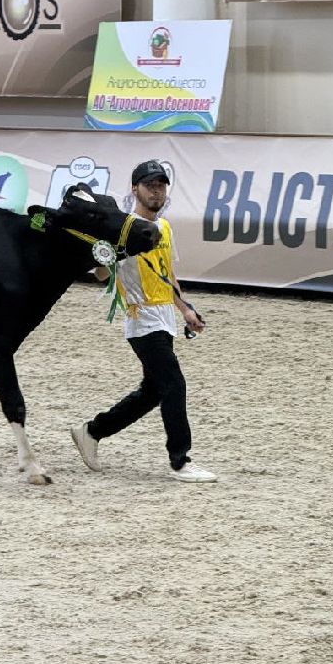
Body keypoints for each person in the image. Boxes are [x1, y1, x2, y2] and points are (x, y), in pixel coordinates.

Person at [70, 159, 217, 482]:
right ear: (134, 189)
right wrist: (109, 254)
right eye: (150, 186)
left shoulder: (164, 229)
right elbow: (100, 274)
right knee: (174, 384)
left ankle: (92, 431)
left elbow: (168, 274)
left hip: (165, 318)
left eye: (161, 186)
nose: (156, 192)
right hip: (141, 319)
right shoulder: (122, 230)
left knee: (154, 390)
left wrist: (186, 310)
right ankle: (180, 460)